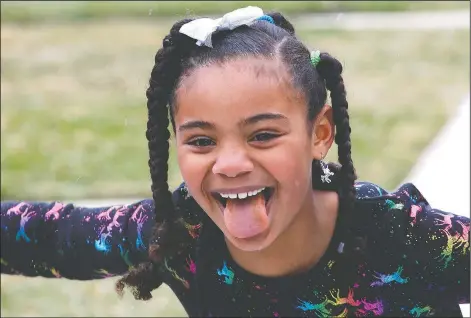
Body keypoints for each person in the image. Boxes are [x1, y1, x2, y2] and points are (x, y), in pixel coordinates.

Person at [1, 6, 469, 317]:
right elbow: (46, 236)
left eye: (262, 135)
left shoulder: (403, 235)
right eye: (201, 141)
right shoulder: (180, 231)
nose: (229, 163)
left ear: (319, 133)